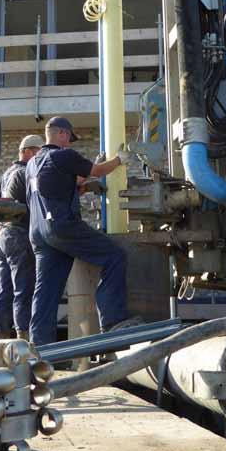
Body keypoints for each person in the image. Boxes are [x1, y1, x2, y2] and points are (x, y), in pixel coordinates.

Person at [25, 116, 136, 345]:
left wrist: (80, 187)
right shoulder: (64, 155)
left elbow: (55, 187)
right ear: (63, 134)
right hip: (62, 226)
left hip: (38, 232)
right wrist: (118, 160)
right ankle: (113, 322)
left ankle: (39, 349)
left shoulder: (33, 163)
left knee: (45, 292)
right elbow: (96, 170)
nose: (70, 143)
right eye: (69, 138)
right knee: (115, 257)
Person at [0, 134, 44, 340]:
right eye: (40, 153)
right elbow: (42, 200)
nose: (42, 158)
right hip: (20, 235)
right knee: (23, 289)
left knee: (4, 291)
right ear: (29, 152)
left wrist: (2, 234)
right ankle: (24, 339)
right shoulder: (26, 172)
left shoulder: (6, 174)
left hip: (3, 237)